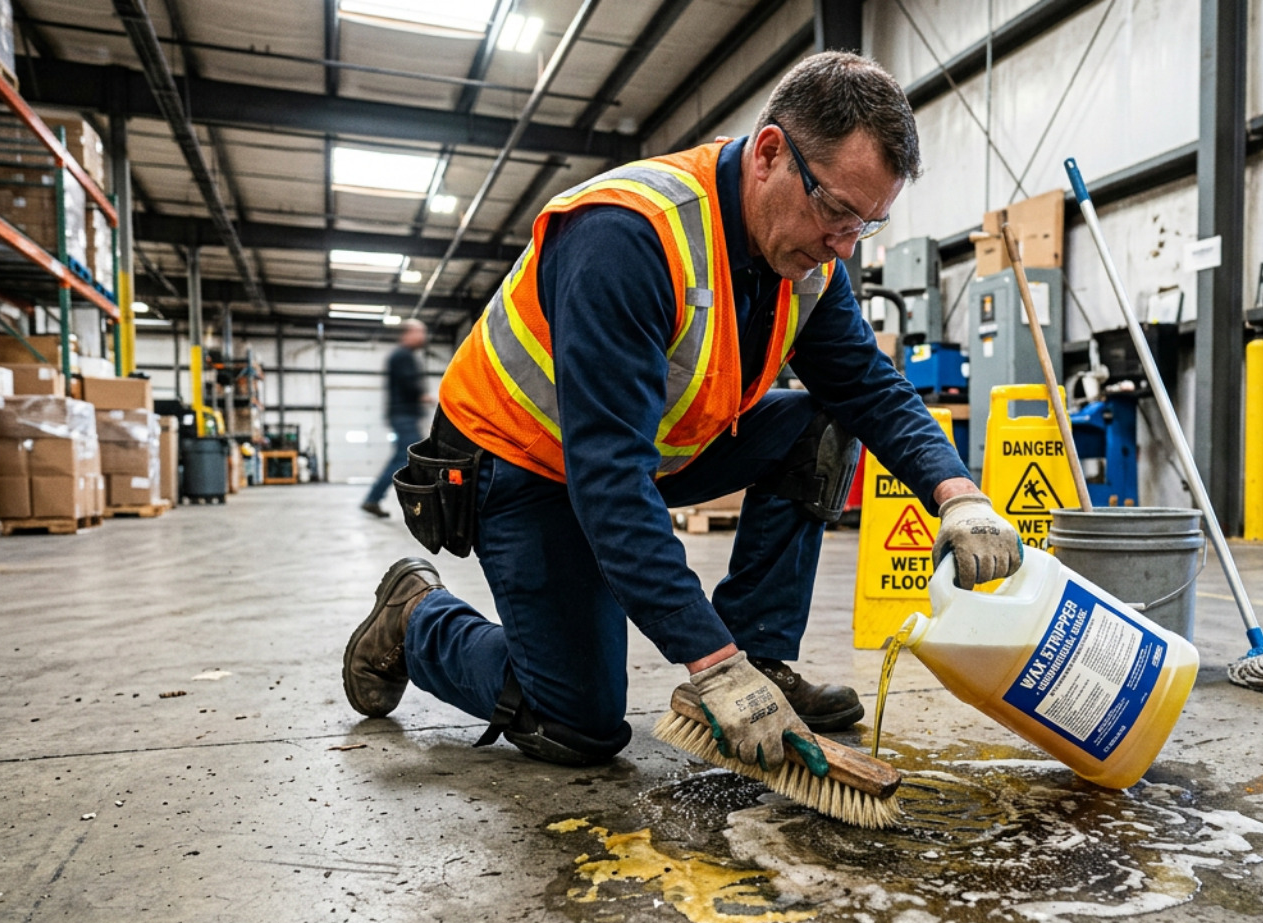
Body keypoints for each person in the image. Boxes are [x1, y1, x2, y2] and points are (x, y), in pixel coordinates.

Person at [342, 53, 1023, 774]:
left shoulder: (808, 261)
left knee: (816, 426)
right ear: (769, 154)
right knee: (578, 726)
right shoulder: (628, 237)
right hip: (516, 460)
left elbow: (866, 385)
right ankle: (416, 618)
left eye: (868, 223)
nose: (844, 244)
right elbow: (608, 480)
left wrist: (961, 495)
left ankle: (762, 658)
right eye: (837, 211)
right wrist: (709, 662)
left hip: (644, 453)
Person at [360, 319, 430, 519]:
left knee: (404, 458)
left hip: (404, 415)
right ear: (408, 334)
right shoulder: (402, 356)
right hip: (404, 415)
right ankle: (419, 506)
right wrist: (423, 396)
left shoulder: (403, 355)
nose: (423, 337)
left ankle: (374, 498)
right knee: (408, 458)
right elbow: (409, 384)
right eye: (420, 332)